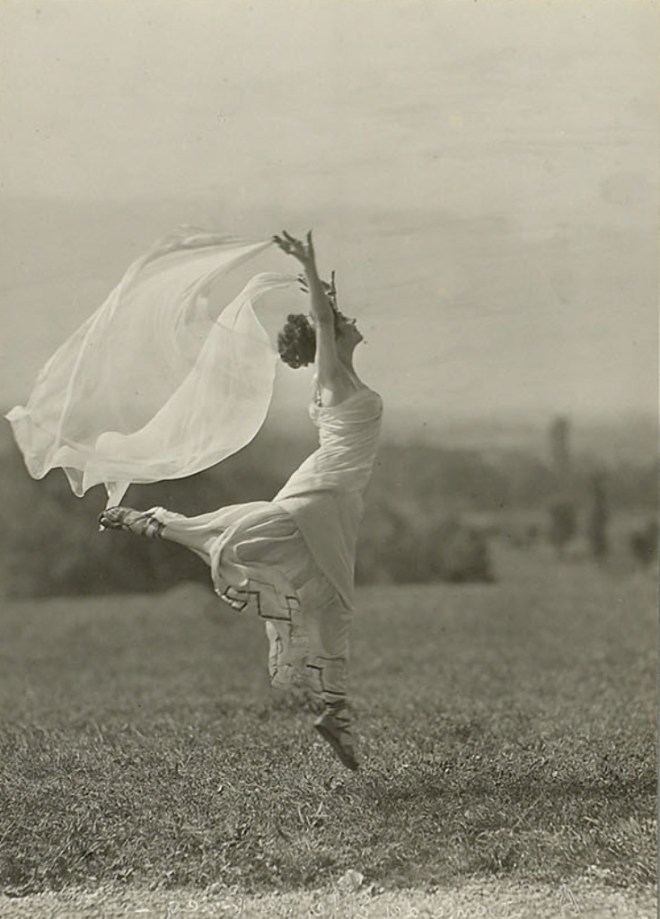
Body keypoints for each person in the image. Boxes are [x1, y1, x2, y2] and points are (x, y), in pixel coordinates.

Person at [99, 230, 383, 771]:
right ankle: (335, 710)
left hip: (335, 499)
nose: (354, 322)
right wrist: (309, 263)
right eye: (346, 321)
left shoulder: (341, 377)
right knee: (283, 567)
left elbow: (328, 323)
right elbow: (324, 324)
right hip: (321, 494)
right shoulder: (334, 377)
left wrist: (320, 289)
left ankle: (335, 713)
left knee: (323, 597)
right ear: (330, 338)